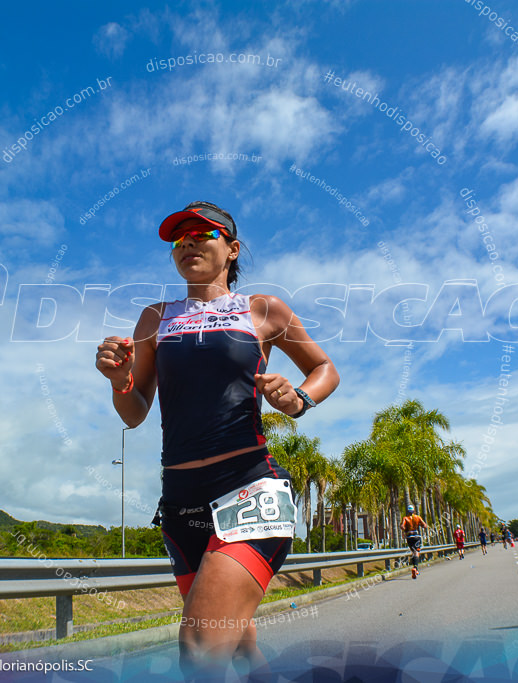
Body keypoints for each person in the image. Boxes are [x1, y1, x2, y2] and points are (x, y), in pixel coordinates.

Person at [96, 201, 339, 680]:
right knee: (239, 643)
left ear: (232, 249)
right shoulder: (154, 318)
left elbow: (324, 369)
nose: (187, 243)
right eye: (178, 238)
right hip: (181, 501)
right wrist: (119, 380)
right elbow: (135, 412)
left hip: (248, 485)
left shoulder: (263, 310)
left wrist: (298, 400)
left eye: (201, 234)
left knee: (202, 642)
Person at [401, 504, 428, 578]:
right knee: (417, 552)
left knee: (413, 552)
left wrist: (405, 530)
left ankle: (415, 569)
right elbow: (425, 525)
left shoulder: (405, 518)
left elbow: (402, 526)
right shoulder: (418, 517)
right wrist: (420, 525)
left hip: (409, 537)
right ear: (414, 511)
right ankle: (415, 568)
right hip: (416, 536)